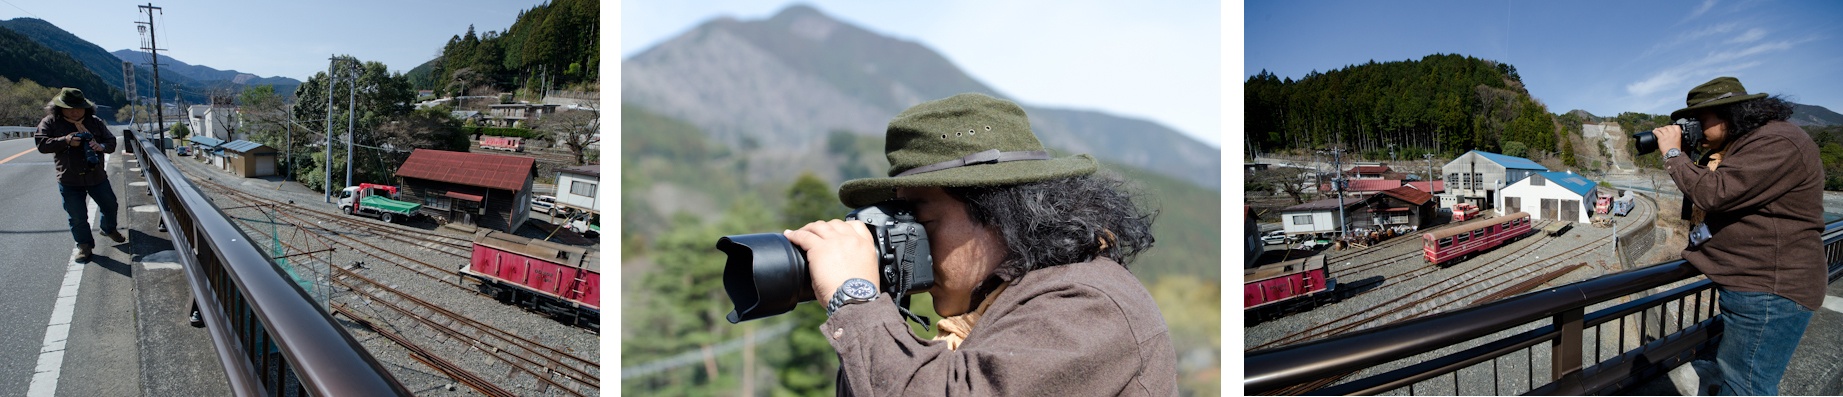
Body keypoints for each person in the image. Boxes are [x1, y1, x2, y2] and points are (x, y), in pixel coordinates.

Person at [783, 93, 1178, 395]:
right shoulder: (997, 308)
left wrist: (854, 300)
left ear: (1001, 216)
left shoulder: (1087, 305)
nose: (908, 239)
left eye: (920, 221)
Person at [1652, 76, 1823, 395]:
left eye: (1700, 121)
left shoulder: (1776, 141)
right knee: (1740, 378)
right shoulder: (1746, 146)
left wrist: (1674, 154)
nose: (1697, 129)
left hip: (1770, 290)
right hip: (1756, 286)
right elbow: (1718, 210)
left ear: (1729, 113)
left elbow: (1714, 195)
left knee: (1746, 386)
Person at [33, 88, 124, 263]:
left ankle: (108, 228)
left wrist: (101, 147)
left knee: (110, 205)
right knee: (77, 215)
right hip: (69, 178)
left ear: (86, 107)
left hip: (96, 176)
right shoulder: (51, 122)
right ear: (60, 108)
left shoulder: (95, 122)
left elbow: (111, 141)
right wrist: (65, 140)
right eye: (69, 107)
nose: (74, 111)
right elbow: (41, 144)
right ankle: (84, 246)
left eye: (78, 107)